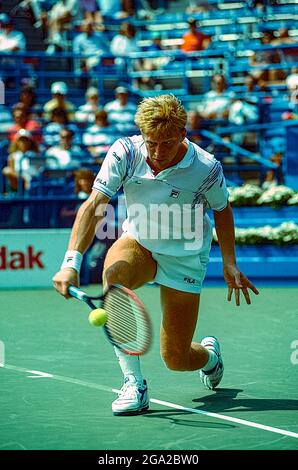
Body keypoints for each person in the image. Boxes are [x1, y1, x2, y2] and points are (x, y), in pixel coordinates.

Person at [53, 94, 259, 416]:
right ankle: (134, 384)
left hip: (185, 256)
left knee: (176, 359)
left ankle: (210, 357)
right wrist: (71, 262)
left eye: (167, 143)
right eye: (152, 143)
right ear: (142, 136)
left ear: (183, 135)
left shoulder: (206, 167)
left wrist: (230, 262)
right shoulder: (125, 152)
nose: (158, 152)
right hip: (141, 242)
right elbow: (94, 206)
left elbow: (222, 209)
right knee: (114, 275)